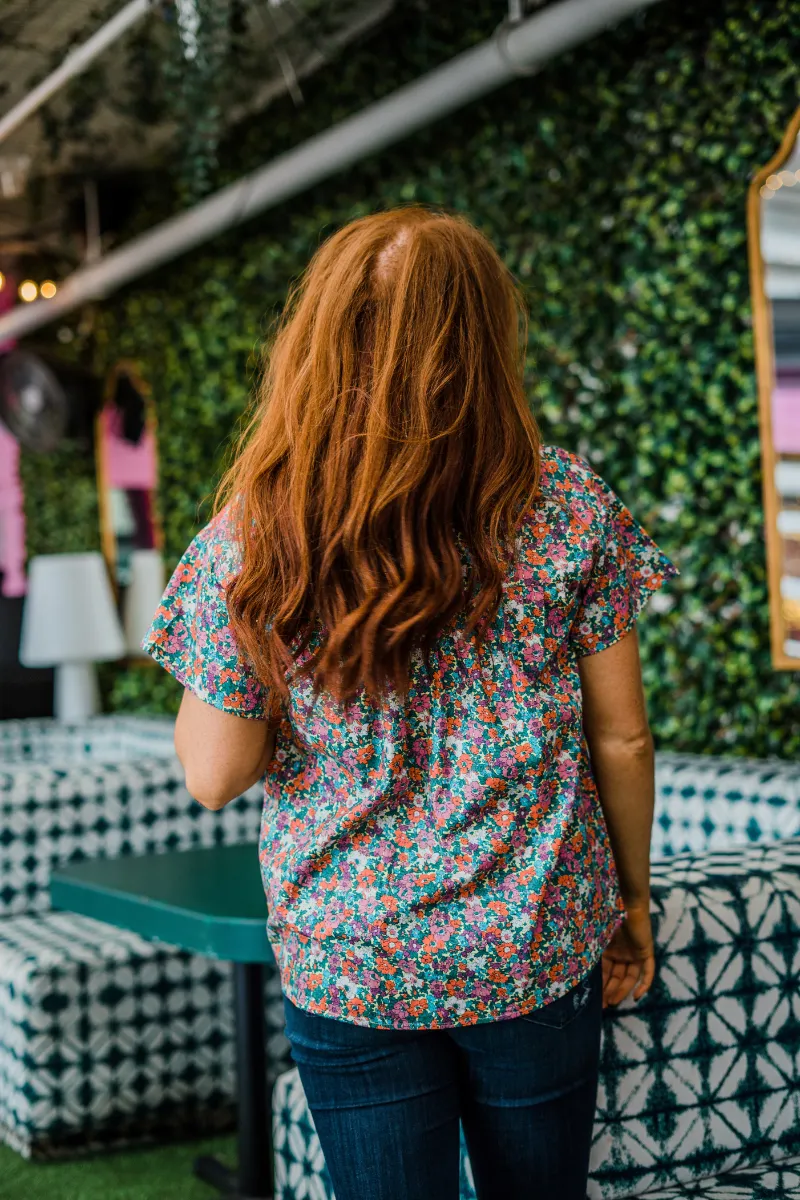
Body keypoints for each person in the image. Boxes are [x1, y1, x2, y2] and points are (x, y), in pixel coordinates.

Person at [144, 206, 679, 1200]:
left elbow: (213, 775)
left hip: (348, 964)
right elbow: (624, 736)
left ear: (317, 341)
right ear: (483, 339)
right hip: (535, 940)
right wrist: (631, 904)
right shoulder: (567, 506)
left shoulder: (254, 538)